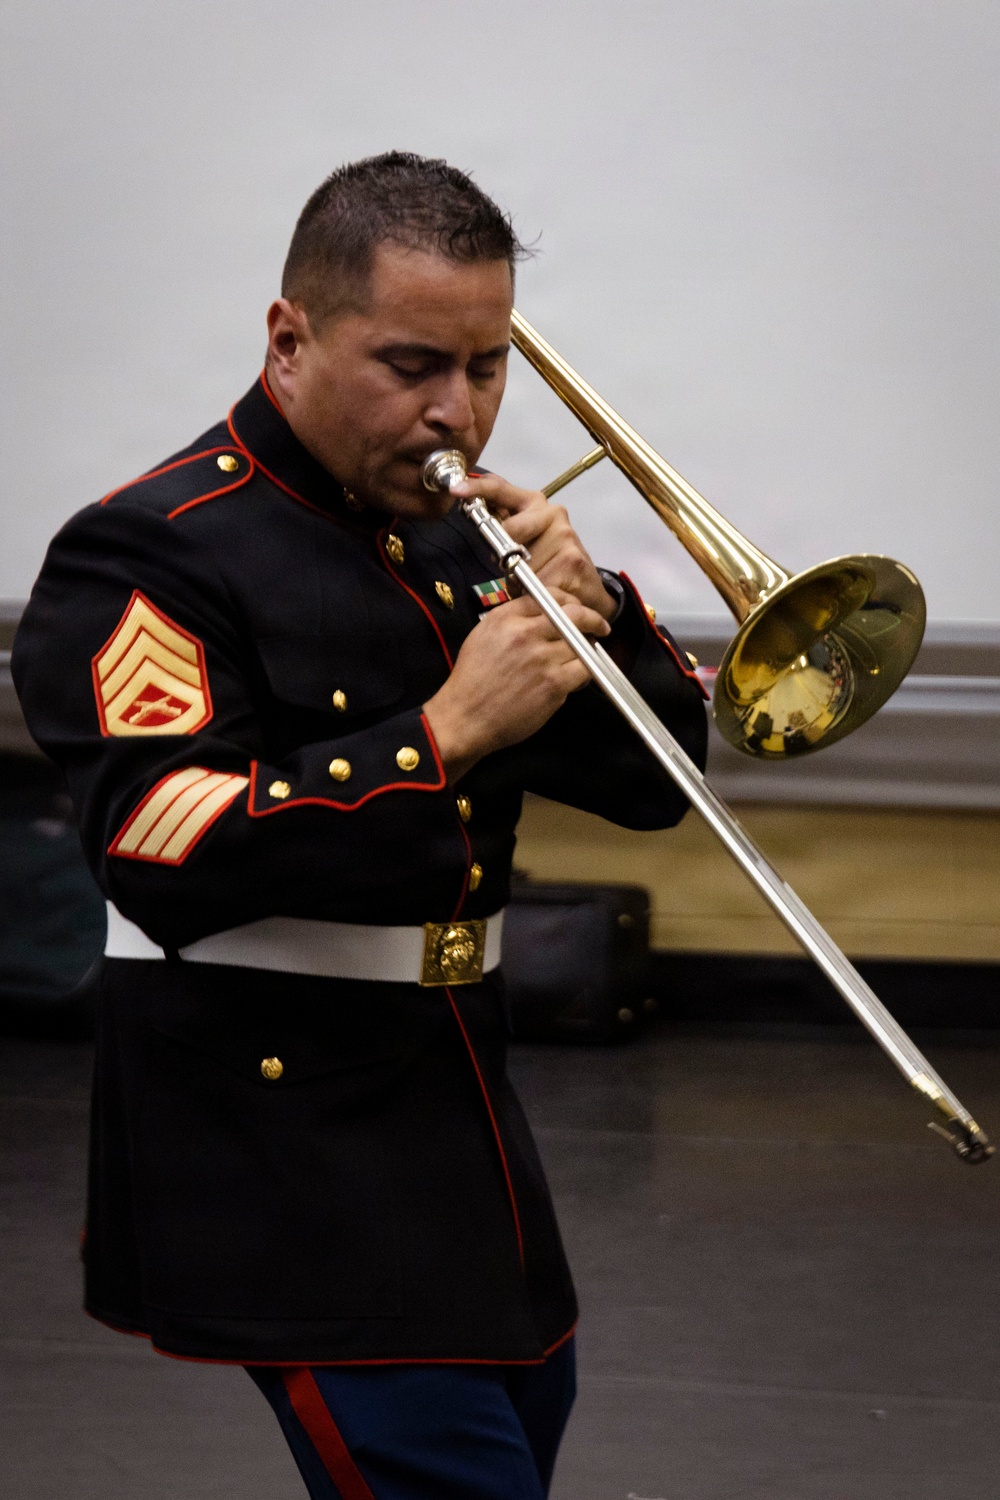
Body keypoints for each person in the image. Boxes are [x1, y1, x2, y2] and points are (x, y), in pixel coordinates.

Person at [12, 152, 707, 1499]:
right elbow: (162, 848)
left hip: (458, 1099)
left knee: (528, 1425)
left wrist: (601, 616)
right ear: (289, 340)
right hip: (278, 1125)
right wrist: (446, 731)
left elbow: (655, 789)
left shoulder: (452, 540)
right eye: (410, 365)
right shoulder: (152, 551)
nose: (459, 412)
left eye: (488, 367)